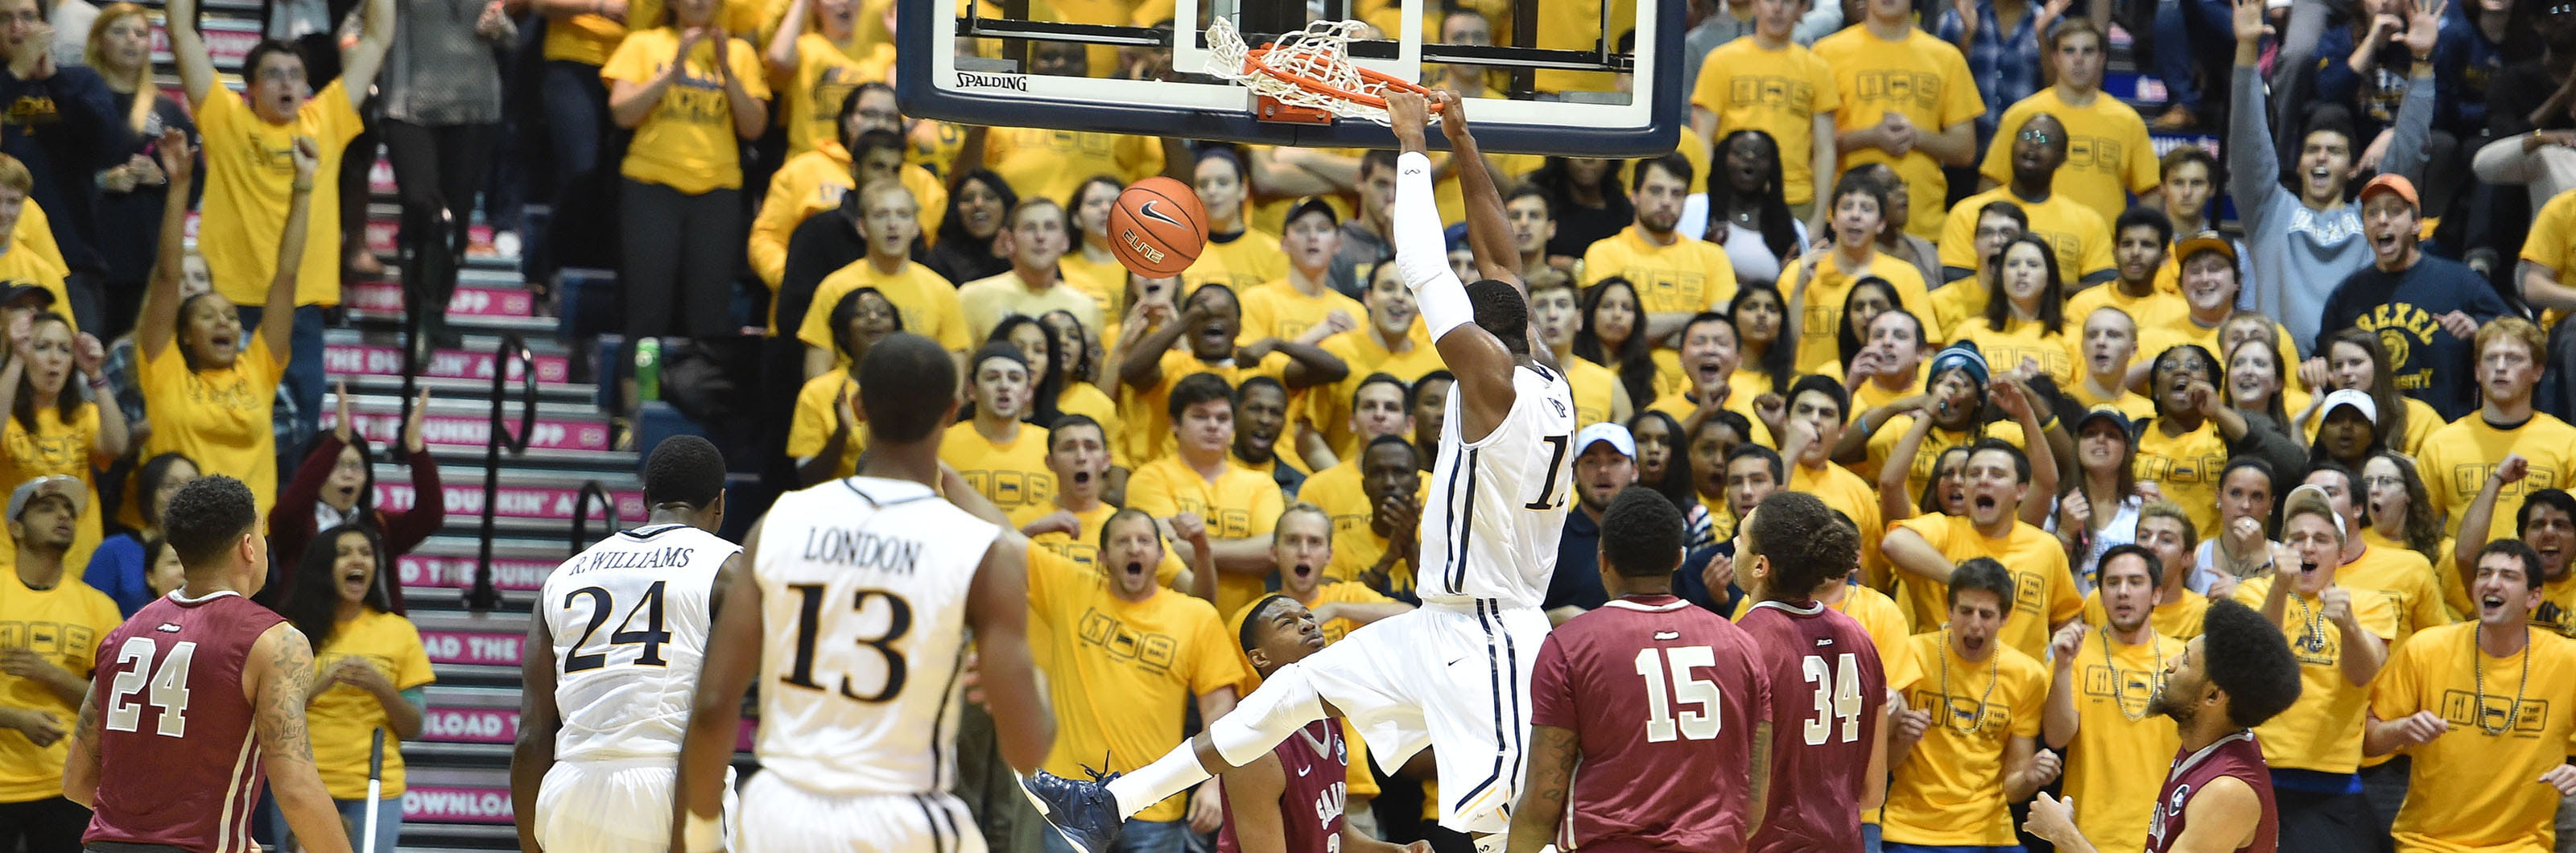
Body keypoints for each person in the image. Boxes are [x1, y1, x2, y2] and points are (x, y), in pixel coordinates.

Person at [1022, 89, 1575, 851]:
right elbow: (1500, 257)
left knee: (1504, 832)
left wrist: (1413, 145)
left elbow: (1419, 264)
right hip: (1440, 620)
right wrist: (1464, 140)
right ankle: (1111, 803)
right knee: (1286, 695)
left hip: (1492, 636)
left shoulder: (1487, 377)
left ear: (1476, 335)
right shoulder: (1540, 367)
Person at [670, 333, 1055, 851]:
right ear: (953, 411)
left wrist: (699, 832)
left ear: (856, 407)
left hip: (779, 812)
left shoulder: (780, 522)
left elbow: (715, 703)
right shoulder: (985, 552)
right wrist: (1041, 687)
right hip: (903, 818)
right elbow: (1029, 750)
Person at [62, 476, 353, 853]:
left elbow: (76, 781)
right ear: (249, 547)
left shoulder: (121, 635)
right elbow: (296, 789)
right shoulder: (275, 641)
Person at [163, 0, 390, 445]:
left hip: (301, 306)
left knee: (298, 433)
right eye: (273, 74)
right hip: (227, 305)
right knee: (218, 428)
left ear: (308, 84)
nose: (287, 83)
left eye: (295, 75)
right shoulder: (225, 118)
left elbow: (378, 39)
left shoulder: (324, 120)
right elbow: (182, 34)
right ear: (249, 86)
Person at [1509, 486, 1773, 852]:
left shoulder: (1569, 646)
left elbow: (1541, 805)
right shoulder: (1741, 645)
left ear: (1603, 559)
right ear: (1680, 558)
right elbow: (1753, 809)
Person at [512, 435, 738, 853]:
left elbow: (532, 736)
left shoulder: (563, 577)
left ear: (646, 498)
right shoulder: (728, 568)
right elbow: (711, 716)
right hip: (667, 785)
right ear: (720, 504)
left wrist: (533, 841)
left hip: (569, 792)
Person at [2226, 0, 2438, 355]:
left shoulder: (2371, 218)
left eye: (2335, 151)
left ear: (2353, 168)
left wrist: (2422, 65)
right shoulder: (2270, 212)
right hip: (2284, 383)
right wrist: (2247, 52)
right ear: (2299, 163)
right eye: (2312, 150)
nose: (2321, 157)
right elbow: (2248, 143)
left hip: (2355, 372)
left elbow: (2410, 153)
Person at [2020, 599, 2304, 853]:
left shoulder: (2226, 791)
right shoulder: (2203, 747)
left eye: (2186, 661)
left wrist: (2063, 834)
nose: (2170, 663)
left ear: (2213, 696)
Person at [134, 128, 305, 517]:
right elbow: (167, 277)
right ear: (187, 336)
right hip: (181, 541)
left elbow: (287, 276)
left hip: (249, 546)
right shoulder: (165, 371)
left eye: (229, 316)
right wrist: (179, 186)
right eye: (207, 317)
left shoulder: (258, 369)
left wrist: (305, 185)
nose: (224, 324)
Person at [2364, 538, 2576, 851]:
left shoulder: (2567, 661)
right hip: (2427, 843)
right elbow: (2369, 740)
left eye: (2508, 576)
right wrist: (2402, 729)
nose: (2492, 583)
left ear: (2534, 596)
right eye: (2484, 574)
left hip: (2522, 844)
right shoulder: (2428, 649)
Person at [2230, 484, 2396, 853]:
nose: (2308, 547)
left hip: (2333, 781)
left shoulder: (2369, 604)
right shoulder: (2253, 593)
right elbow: (2256, 663)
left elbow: (2362, 674)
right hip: (2256, 774)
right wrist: (2279, 588)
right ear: (2281, 549)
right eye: (2297, 539)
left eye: (2321, 540)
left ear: (2339, 554)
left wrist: (2349, 626)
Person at [1731, 492, 1890, 852]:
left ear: (1760, 565)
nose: (1735, 544)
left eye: (1742, 537)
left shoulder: (1744, 643)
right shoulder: (1858, 636)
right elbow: (1872, 791)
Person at [1216, 594, 1430, 853]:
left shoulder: (1328, 720)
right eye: (1286, 623)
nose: (1308, 625)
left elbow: (1336, 832)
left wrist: (1396, 851)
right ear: (1259, 658)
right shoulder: (1255, 745)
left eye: (1308, 617)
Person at [1883, 558, 2062, 853]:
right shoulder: (1913, 654)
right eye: (1966, 611)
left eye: (1986, 614)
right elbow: (1882, 764)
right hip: (1912, 831)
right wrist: (1903, 737)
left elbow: (2013, 788)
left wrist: (2032, 776)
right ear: (1949, 610)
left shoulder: (2027, 675)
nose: (1975, 624)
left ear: (2005, 618)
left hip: (1990, 835)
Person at [277, 524, 427, 852]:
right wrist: (322, 682)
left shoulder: (398, 631)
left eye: (366, 553)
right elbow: (272, 716)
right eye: (344, 554)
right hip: (302, 784)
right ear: (323, 567)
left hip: (375, 786)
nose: (356, 560)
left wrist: (379, 685)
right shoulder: (291, 632)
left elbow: (414, 725)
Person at [2316, 175, 2510, 421]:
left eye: (2394, 211)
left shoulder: (2459, 281)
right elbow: (2325, 360)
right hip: (2368, 433)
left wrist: (2480, 330)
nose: (2382, 220)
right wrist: (2314, 368)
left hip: (2445, 429)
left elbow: (2521, 335)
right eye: (2372, 213)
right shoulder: (2347, 294)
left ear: (2416, 224)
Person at [378, 0, 509, 355]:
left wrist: (498, 27)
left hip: (474, 108)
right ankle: (417, 316)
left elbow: (508, 35)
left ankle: (435, 311)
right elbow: (360, 25)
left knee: (458, 218)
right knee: (423, 205)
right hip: (409, 106)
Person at [2042, 545, 2187, 853]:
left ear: (2156, 595)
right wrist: (2063, 667)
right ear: (2100, 593)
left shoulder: (2183, 659)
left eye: (2135, 582)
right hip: (2085, 833)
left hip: (2164, 833)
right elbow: (2056, 736)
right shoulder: (2075, 653)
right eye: (2112, 583)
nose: (2123, 592)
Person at [1885, 439, 2084, 659]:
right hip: (1942, 682)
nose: (1983, 481)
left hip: (2018, 687)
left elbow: (2066, 618)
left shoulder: (2046, 548)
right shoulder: (1944, 529)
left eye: (1996, 475)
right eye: (1975, 474)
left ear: (2021, 491)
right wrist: (1963, 579)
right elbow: (1894, 541)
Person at [0, 475, 117, 851]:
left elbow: (116, 703)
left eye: (69, 509)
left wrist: (48, 674)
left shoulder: (98, 606)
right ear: (15, 527)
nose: (63, 515)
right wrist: (14, 719)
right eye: (46, 508)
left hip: (65, 785)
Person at [1116, 283, 1347, 467]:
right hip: (1181, 478)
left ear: (1238, 326)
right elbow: (1130, 372)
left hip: (1262, 477)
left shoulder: (1261, 365)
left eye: (1222, 314)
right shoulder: (1172, 365)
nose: (1212, 319)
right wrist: (1188, 318)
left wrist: (1277, 344)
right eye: (1203, 315)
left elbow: (1337, 371)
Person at [1124, 373, 1290, 618]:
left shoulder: (1261, 485)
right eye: (1201, 416)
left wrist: (1200, 549)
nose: (1213, 425)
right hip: (1169, 622)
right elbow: (1163, 554)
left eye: (1222, 418)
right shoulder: (1149, 478)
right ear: (1174, 424)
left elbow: (1271, 553)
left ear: (1233, 426)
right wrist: (1242, 552)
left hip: (1242, 628)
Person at [1814, 0, 1981, 240]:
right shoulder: (1826, 53)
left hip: (1923, 226)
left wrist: (1916, 136)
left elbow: (1965, 150)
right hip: (1847, 221)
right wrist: (1870, 137)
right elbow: (1810, 145)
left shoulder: (1946, 57)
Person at [82, 2, 194, 342]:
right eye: (119, 32)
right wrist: (103, 181)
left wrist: (160, 177)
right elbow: (53, 179)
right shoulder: (77, 103)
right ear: (99, 41)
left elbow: (197, 185)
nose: (132, 40)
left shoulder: (167, 110)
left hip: (148, 264)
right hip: (88, 260)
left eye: (140, 33)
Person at [2132, 343, 2308, 558]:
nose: (2181, 370)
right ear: (2156, 390)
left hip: (2216, 559)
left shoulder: (2231, 428)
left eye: (2194, 365)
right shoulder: (2135, 433)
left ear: (2213, 385)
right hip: (2149, 554)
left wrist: (2218, 411)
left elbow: (2294, 465)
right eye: (2168, 366)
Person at [269, 386, 437, 609]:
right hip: (310, 639)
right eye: (336, 465)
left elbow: (430, 516)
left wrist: (416, 449)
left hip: (372, 640)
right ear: (316, 470)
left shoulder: (378, 525)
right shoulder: (296, 526)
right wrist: (337, 441)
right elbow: (289, 509)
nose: (348, 474)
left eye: (356, 466)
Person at [1977, 21, 2159, 224]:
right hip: (2031, 248)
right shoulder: (2022, 115)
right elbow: (1991, 183)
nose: (2079, 59)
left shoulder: (2127, 120)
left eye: (2088, 51)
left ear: (2101, 58)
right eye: (2069, 50)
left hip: (2101, 249)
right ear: (2055, 57)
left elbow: (2149, 191)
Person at [2417, 318, 2576, 544]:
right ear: (2478, 372)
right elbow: (2421, 532)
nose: (2501, 367)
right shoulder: (2441, 444)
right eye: (2491, 358)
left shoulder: (2569, 443)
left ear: (2538, 372)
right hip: (2461, 578)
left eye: (2513, 358)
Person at [1691, 0, 1839, 224]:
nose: (1777, 8)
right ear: (1754, 5)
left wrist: (1819, 219)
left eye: (1787, 2)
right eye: (1769, 0)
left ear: (1802, 10)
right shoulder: (1720, 61)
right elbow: (1702, 139)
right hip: (1731, 196)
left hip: (1795, 200)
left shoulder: (1818, 70)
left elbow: (1825, 150)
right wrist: (1711, 198)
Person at [799, 183, 968, 377]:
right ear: (862, 227)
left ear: (915, 227)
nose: (892, 225)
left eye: (903, 215)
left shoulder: (941, 291)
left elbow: (954, 377)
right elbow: (816, 377)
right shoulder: (834, 288)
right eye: (881, 215)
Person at [0, 311, 123, 573]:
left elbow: (117, 446)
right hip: (12, 561)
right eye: (42, 347)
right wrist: (16, 359)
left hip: (79, 561)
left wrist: (95, 373)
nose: (55, 359)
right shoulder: (7, 415)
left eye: (65, 350)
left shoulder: (83, 414)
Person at [1942, 114, 2116, 291]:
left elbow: (2104, 288)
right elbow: (1955, 280)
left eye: (2045, 139)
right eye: (2026, 136)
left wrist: (2041, 291)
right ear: (2012, 147)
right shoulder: (1968, 212)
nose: (2034, 143)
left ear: (2062, 158)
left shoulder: (2088, 222)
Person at [1788, 173, 1935, 373]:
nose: (1855, 215)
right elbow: (1779, 348)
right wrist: (1798, 290)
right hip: (1811, 391)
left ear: (1881, 223)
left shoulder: (1906, 276)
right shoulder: (1800, 271)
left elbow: (1925, 350)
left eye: (1866, 209)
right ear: (1833, 218)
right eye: (1847, 207)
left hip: (1881, 390)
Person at [1580, 153, 1739, 338]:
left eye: (1677, 194)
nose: (1666, 202)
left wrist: (1648, 329)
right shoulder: (1604, 253)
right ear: (1634, 196)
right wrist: (1694, 321)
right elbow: (1611, 329)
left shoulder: (1713, 256)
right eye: (1656, 191)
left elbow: (1721, 330)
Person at [956, 197, 1104, 344]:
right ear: (1010, 240)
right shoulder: (972, 297)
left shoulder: (1086, 308)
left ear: (1066, 241)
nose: (1040, 237)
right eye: (1029, 228)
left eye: (1050, 227)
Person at [1543, 422, 1640, 622]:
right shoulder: (1549, 539)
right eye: (1590, 462)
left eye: (1615, 460)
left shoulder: (1651, 536)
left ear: (1635, 471)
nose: (1603, 470)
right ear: (1574, 473)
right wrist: (1552, 619)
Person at [1955, 234, 2079, 386]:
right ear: (2001, 275)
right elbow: (1952, 389)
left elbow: (2083, 399)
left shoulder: (2073, 335)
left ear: (2049, 277)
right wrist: (2004, 380)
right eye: (2013, 264)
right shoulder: (1970, 332)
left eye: (2033, 264)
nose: (2022, 271)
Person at [2297, 328, 2440, 458]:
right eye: (2338, 366)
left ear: (2378, 366)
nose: (2345, 372)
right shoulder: (2322, 417)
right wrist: (2297, 426)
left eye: (2355, 363)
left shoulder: (2419, 417)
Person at [82, 451, 193, 615]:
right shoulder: (114, 550)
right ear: (149, 494)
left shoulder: (212, 553)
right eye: (170, 486)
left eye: (192, 485)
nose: (182, 495)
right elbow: (89, 614)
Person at [1241, 197, 1364, 342]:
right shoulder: (1257, 300)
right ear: (1284, 244)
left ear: (1337, 244)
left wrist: (1355, 343)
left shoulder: (1354, 312)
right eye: (1301, 229)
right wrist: (1317, 334)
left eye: (1323, 229)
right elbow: (1251, 362)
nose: (1313, 237)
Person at [2087, 500, 2215, 639]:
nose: (2151, 545)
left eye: (2166, 539)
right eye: (2144, 536)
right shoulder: (2102, 599)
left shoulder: (2203, 613)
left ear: (2187, 558)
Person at [1700, 131, 1810, 286]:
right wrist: (1705, 254)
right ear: (1723, 159)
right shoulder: (1694, 209)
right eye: (1739, 153)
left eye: (1760, 155)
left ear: (1772, 167)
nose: (1750, 158)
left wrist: (1785, 279)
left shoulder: (1793, 230)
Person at [1527, 275, 1634, 429]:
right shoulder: (1514, 378)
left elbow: (1625, 447)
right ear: (1528, 319)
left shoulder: (1609, 383)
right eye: (1542, 305)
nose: (1552, 315)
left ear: (1579, 319)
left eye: (1562, 305)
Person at [1325, 435, 1424, 600]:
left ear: (1418, 483)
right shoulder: (1339, 546)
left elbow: (1448, 608)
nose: (1389, 482)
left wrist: (1410, 546)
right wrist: (1389, 558)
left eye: (1400, 472)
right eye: (1377, 473)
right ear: (1364, 486)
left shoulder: (1442, 541)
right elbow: (1329, 609)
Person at [2056, 405, 2145, 586]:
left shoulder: (2141, 510)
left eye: (2112, 435)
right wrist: (2065, 533)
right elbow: (2046, 574)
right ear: (2077, 445)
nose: (2100, 439)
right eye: (2090, 433)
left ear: (2127, 450)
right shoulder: (2056, 506)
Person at [2066, 209, 2185, 342]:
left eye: (2147, 245)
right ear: (2115, 253)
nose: (2135, 252)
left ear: (2165, 258)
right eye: (2127, 244)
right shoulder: (2084, 305)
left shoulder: (2181, 312)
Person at [2070, 307, 2156, 421]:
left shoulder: (2148, 413)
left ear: (2133, 349)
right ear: (2082, 346)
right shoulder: (2061, 403)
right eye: (2092, 335)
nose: (2101, 342)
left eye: (2113, 335)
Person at [1233, 377, 1307, 494]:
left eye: (1275, 412)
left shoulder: (1300, 488)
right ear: (1234, 412)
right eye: (1255, 409)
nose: (1265, 420)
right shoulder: (1204, 472)